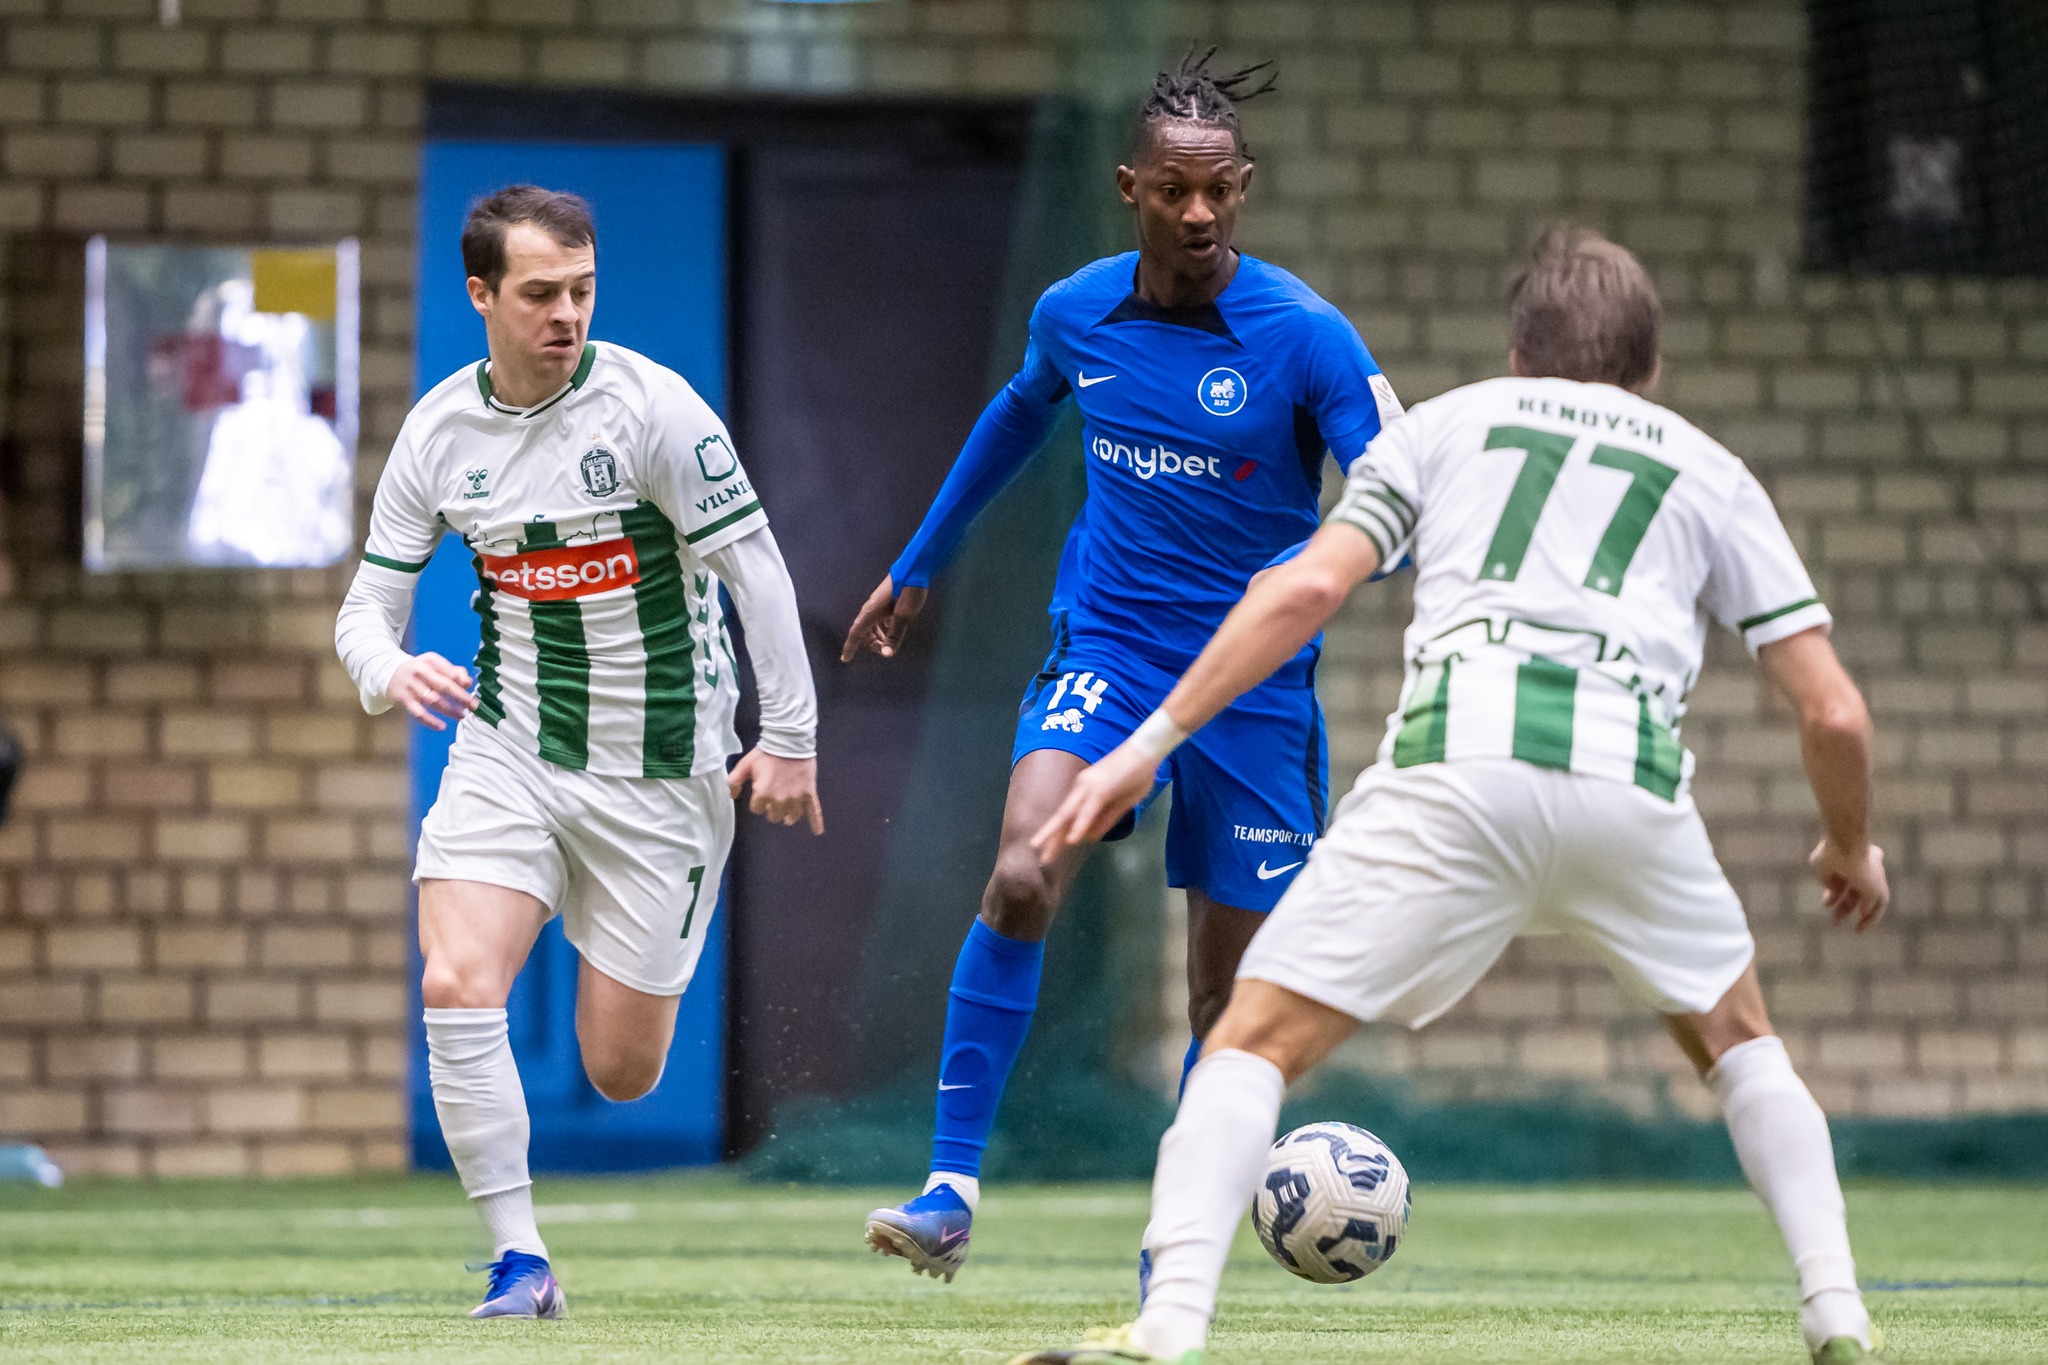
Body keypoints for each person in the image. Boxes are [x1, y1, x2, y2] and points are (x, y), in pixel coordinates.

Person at [1017, 225, 1888, 1365]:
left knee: (1248, 1043)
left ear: (1518, 356)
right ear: (1649, 370)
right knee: (1740, 1045)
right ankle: (1837, 1316)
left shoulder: (1441, 427)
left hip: (1453, 775)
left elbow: (1301, 591)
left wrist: (1150, 743)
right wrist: (1847, 845)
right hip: (1626, 792)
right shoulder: (1708, 470)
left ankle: (1167, 1327)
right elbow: (1835, 714)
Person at [843, 50, 1403, 1283]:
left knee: (1228, 1002)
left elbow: (1389, 489)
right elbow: (1019, 410)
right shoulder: (1073, 312)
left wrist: (1361, 554)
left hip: (1254, 692)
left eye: (1219, 190)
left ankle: (1173, 1251)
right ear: (1128, 187)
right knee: (1022, 871)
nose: (1198, 213)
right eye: (1172, 190)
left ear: (1242, 186)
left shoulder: (1306, 336)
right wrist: (921, 558)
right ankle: (948, 1189)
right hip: (1110, 652)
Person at [335, 185, 823, 1320]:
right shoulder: (439, 433)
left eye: (582, 291)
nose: (566, 314)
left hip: (662, 777)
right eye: (540, 293)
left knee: (620, 1068)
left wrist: (791, 739)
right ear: (481, 294)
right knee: (456, 981)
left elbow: (757, 573)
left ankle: (604, 945)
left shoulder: (655, 410)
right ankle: (520, 1261)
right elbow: (365, 609)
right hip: (510, 749)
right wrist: (389, 670)